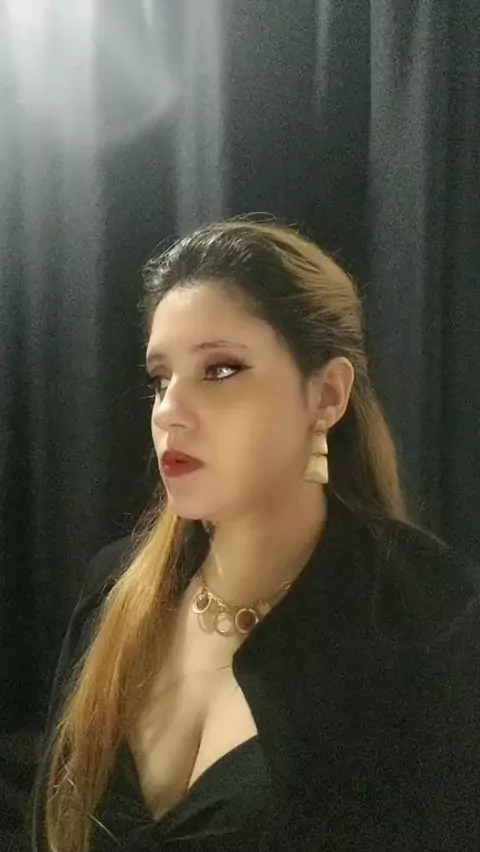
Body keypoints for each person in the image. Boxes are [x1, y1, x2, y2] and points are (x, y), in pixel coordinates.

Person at [32, 218, 480, 852]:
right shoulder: (113, 588)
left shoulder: (435, 623)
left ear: (327, 395)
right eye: (160, 379)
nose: (168, 411)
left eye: (219, 369)